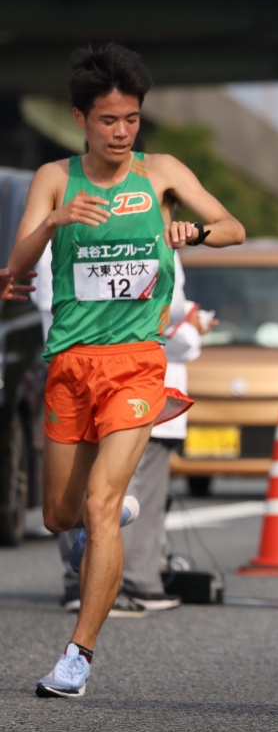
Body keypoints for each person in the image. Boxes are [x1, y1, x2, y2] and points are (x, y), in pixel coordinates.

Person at [6, 42, 245, 698]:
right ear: (82, 118)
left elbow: (233, 227)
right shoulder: (56, 178)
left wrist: (190, 233)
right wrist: (54, 219)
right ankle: (113, 508)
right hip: (71, 364)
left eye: (132, 119)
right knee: (59, 514)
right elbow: (21, 262)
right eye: (109, 120)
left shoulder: (161, 172)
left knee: (101, 506)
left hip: (138, 364)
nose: (121, 132)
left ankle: (77, 657)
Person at [45, 247, 209, 615]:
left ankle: (105, 600)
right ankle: (93, 580)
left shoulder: (156, 237)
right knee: (59, 513)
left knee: (108, 497)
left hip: (130, 381)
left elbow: (161, 308)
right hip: (72, 376)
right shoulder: (69, 231)